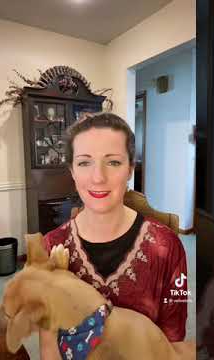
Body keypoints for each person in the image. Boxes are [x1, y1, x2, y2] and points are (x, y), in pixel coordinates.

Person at [40, 112, 193, 359]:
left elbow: (171, 343)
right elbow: (49, 346)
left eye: (113, 162)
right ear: (72, 171)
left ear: (130, 168)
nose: (98, 177)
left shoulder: (168, 248)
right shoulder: (51, 246)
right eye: (84, 162)